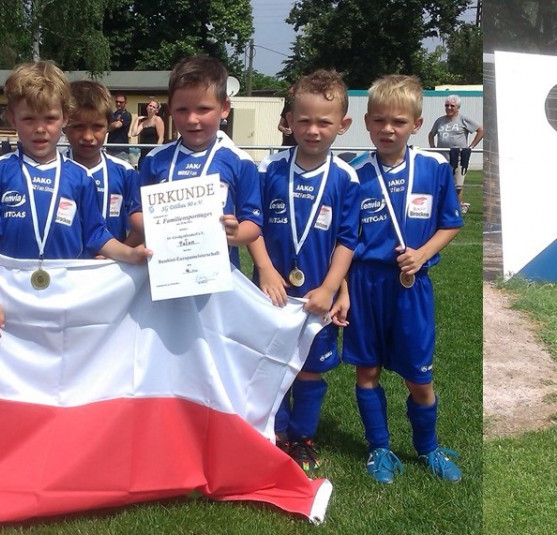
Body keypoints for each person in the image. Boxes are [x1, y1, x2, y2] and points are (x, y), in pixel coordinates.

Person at [0, 61, 149, 337]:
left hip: (69, 290)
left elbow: (95, 234)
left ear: (65, 118)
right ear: (11, 118)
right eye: (29, 119)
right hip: (9, 292)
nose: (40, 129)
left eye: (50, 119)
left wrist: (130, 254)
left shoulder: (80, 177)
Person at [345, 74, 464, 484]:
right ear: (367, 122)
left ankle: (428, 447)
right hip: (365, 286)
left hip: (411, 288)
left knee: (419, 377)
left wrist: (423, 254)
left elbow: (450, 223)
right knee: (367, 372)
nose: (388, 129)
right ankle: (379, 448)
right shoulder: (355, 174)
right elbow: (345, 240)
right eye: (379, 120)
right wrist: (343, 290)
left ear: (416, 124)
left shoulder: (434, 168)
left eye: (398, 121)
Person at [248, 69, 358, 476]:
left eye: (324, 122)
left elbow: (347, 240)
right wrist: (265, 270)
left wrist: (331, 288)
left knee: (310, 372)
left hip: (316, 298)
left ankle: (302, 438)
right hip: (271, 293)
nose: (313, 130)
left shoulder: (346, 177)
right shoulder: (269, 168)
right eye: (304, 120)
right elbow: (253, 224)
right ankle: (275, 434)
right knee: (271, 365)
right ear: (289, 121)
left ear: (342, 125)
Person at [129, 56, 262, 269]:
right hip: (167, 273)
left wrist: (236, 233)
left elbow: (253, 223)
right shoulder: (155, 159)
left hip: (219, 275)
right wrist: (158, 227)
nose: (192, 119)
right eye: (182, 110)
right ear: (170, 109)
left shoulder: (240, 162)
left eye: (203, 109)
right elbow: (136, 212)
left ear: (224, 108)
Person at [64, 80, 141, 243]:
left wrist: (120, 252)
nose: (88, 136)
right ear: (64, 125)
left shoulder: (125, 173)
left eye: (97, 127)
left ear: (108, 126)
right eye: (78, 126)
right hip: (66, 260)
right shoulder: (52, 171)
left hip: (112, 259)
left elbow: (142, 228)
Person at [427, 95, 482, 214]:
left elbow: (480, 130)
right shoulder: (440, 121)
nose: (449, 108)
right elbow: (431, 134)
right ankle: (442, 205)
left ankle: (458, 207)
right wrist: (432, 147)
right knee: (441, 182)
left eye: (452, 106)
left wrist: (471, 146)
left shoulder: (463, 119)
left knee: (458, 185)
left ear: (457, 107)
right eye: (447, 105)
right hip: (442, 158)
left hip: (458, 158)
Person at [128, 98, 164, 167]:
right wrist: (137, 119)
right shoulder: (144, 123)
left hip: (153, 152)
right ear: (147, 107)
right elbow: (134, 133)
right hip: (143, 153)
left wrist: (156, 152)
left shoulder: (157, 119)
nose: (151, 108)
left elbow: (161, 138)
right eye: (150, 106)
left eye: (154, 107)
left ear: (156, 110)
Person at [106, 93, 131, 159]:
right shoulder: (112, 115)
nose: (118, 104)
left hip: (121, 150)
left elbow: (117, 125)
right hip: (110, 148)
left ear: (125, 103)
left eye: (121, 102)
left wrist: (108, 127)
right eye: (116, 102)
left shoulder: (127, 115)